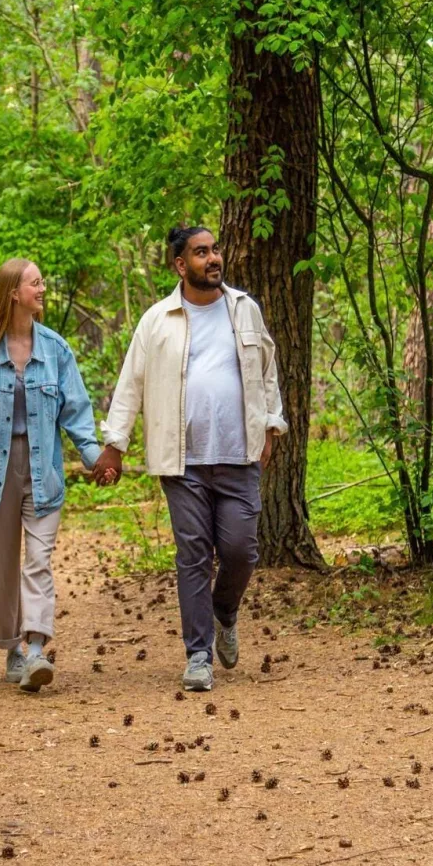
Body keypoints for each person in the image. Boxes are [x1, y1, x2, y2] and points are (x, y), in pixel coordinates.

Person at [93, 227, 285, 691]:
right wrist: (115, 444)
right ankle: (198, 653)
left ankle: (225, 610)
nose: (213, 258)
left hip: (239, 455)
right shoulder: (157, 320)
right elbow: (131, 383)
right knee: (194, 554)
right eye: (201, 253)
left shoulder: (244, 309)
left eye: (215, 249)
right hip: (182, 461)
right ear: (181, 265)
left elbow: (266, 369)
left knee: (241, 550)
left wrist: (271, 426)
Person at [0, 259, 102, 692]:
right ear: (12, 294)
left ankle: (37, 650)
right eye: (34, 282)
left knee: (39, 561)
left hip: (44, 471)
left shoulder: (56, 350)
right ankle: (13, 652)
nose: (42, 288)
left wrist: (96, 458)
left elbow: (76, 411)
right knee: (3, 568)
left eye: (42, 280)